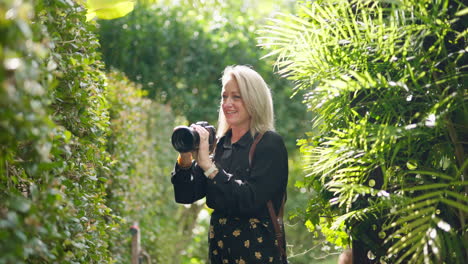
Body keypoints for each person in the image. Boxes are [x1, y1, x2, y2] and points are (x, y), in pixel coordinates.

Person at [171, 65, 289, 264]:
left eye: (237, 97)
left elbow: (250, 200)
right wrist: (186, 156)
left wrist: (210, 168)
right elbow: (185, 195)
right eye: (224, 97)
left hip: (257, 255)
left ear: (254, 99)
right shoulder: (220, 145)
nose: (228, 104)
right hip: (220, 254)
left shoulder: (269, 144)